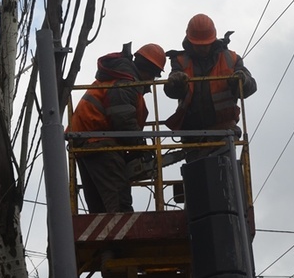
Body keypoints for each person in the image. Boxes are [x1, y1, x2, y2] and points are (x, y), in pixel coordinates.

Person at [68, 42, 166, 213]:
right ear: (147, 71)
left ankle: (103, 237)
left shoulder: (119, 78)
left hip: (85, 139)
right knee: (119, 202)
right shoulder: (126, 84)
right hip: (99, 142)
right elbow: (124, 121)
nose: (152, 82)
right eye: (153, 76)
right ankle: (121, 238)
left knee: (98, 207)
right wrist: (140, 146)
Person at [164, 13, 257, 161]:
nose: (202, 49)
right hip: (193, 134)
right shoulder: (180, 61)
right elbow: (171, 91)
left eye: (205, 44)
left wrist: (241, 80)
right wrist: (176, 83)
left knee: (224, 175)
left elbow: (251, 86)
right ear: (190, 41)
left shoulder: (231, 58)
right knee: (198, 176)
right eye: (198, 45)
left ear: (212, 40)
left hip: (224, 130)